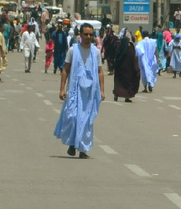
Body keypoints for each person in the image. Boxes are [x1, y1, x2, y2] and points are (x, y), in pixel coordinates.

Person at [54, 23, 104, 158]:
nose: (88, 37)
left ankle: (82, 150)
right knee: (73, 117)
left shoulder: (96, 52)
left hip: (90, 93)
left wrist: (102, 90)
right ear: (80, 35)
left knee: (87, 121)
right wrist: (62, 89)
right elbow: (65, 69)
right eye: (85, 34)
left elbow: (100, 71)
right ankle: (72, 143)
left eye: (91, 34)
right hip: (75, 90)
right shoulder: (73, 50)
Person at [111, 25, 140, 102]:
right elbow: (134, 59)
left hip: (120, 69)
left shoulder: (120, 47)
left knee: (118, 82)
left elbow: (117, 57)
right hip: (128, 70)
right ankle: (126, 97)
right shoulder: (130, 48)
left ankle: (116, 94)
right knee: (128, 82)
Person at [0, 18, 9, 82]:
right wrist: (2, 53)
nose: (4, 28)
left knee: (1, 64)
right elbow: (0, 45)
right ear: (0, 28)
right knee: (2, 64)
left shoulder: (1, 34)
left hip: (1, 52)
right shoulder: (0, 35)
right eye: (3, 27)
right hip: (0, 52)